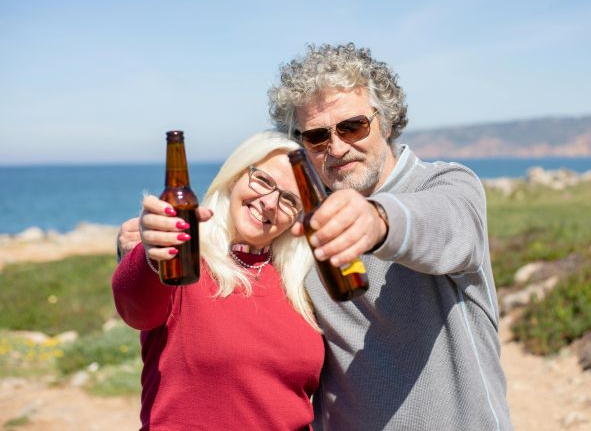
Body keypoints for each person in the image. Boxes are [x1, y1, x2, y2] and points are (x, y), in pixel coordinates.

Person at [120, 43, 513, 430]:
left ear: (387, 121)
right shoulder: (303, 227)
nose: (338, 147)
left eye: (353, 126)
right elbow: (158, 292)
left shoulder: (444, 185)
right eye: (318, 136)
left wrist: (378, 221)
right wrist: (141, 251)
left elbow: (449, 226)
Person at [112, 131, 323, 431]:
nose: (270, 203)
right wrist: (150, 253)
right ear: (234, 176)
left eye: (289, 200)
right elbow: (134, 307)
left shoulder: (300, 283)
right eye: (262, 181)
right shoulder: (185, 261)